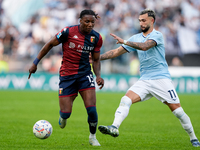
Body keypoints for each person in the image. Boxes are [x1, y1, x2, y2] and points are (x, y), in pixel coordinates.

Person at [98, 9, 200, 147]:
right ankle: (114, 127)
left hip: (161, 80)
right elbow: (115, 52)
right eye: (140, 20)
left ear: (152, 21)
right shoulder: (135, 38)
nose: (141, 23)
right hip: (145, 80)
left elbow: (145, 47)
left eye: (144, 20)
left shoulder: (157, 35)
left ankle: (193, 138)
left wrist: (126, 41)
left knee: (178, 112)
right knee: (125, 99)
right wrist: (96, 58)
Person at [28, 9, 104, 146]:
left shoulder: (97, 38)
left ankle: (92, 137)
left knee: (92, 109)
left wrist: (98, 75)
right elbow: (50, 44)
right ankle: (63, 115)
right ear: (80, 20)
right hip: (67, 76)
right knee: (66, 113)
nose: (90, 24)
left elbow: (96, 59)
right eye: (87, 21)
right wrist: (35, 63)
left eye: (92, 22)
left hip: (85, 75)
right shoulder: (68, 32)